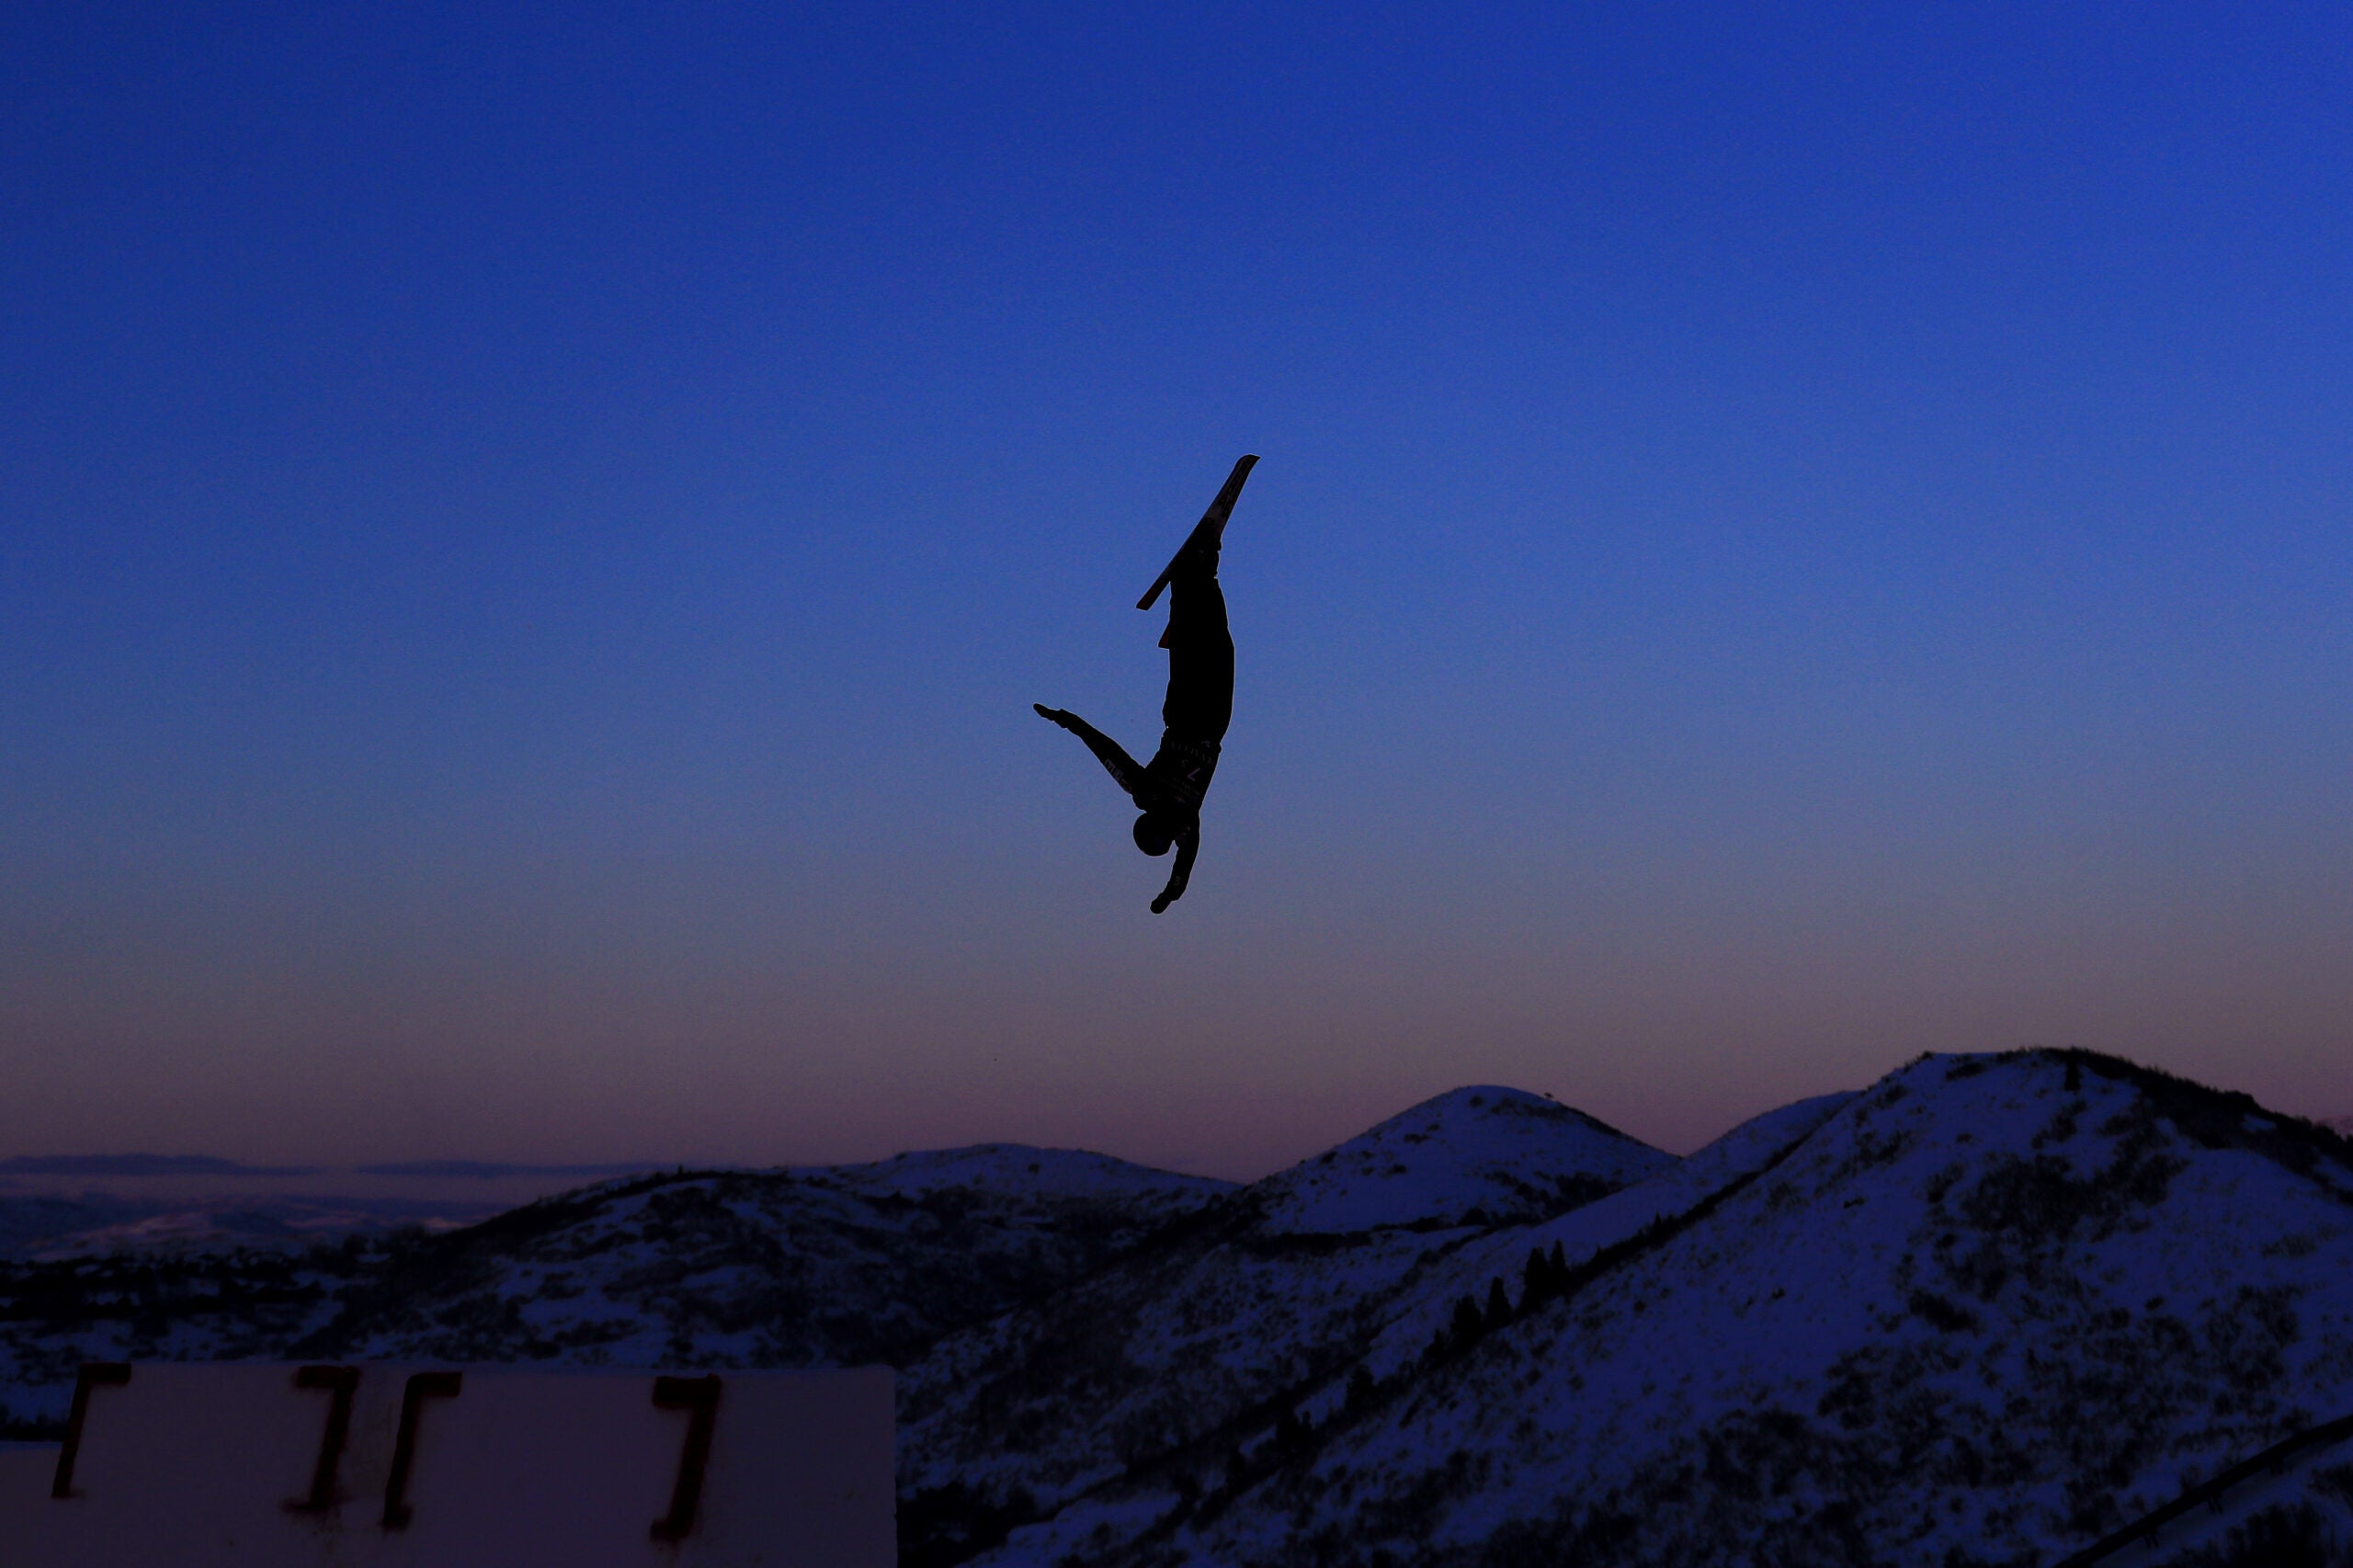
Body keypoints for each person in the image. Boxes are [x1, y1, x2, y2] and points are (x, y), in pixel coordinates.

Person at [1035, 535, 1233, 914]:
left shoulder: (1144, 792)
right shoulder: (1187, 828)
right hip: (1214, 723)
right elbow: (1183, 871)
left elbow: (1107, 751)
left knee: (1194, 649)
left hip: (1186, 715)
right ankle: (1203, 572)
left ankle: (1187, 581)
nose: (1177, 830)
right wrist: (1168, 895)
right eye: (1174, 834)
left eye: (1168, 828)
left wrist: (1068, 721)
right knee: (1219, 646)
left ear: (1154, 819)